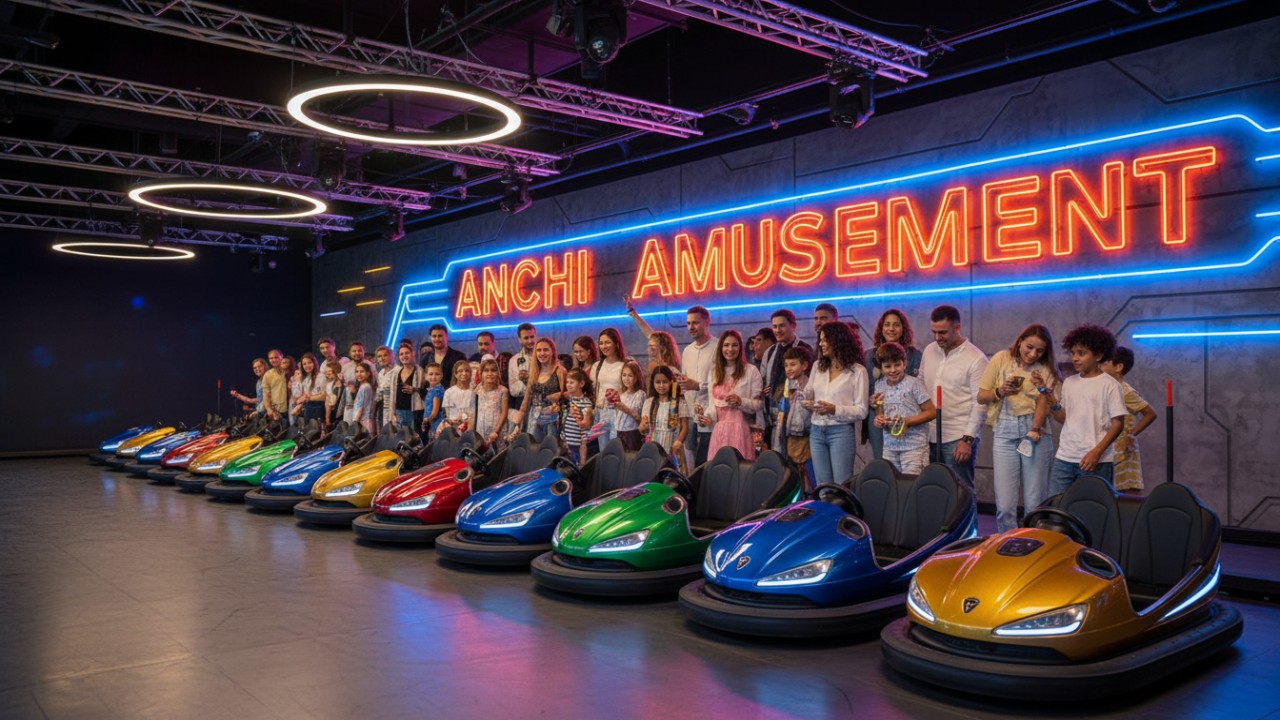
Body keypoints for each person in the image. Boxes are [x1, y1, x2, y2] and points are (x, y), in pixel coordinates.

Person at [977, 324, 1060, 532]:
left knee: (1034, 503)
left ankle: (1033, 547)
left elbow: (1044, 402)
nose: (1032, 354)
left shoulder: (1046, 369)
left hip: (1035, 431)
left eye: (1039, 351)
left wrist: (1034, 428)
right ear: (1020, 341)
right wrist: (1000, 391)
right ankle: (1008, 545)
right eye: (1029, 347)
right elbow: (981, 396)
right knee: (1005, 505)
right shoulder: (1002, 358)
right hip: (1005, 430)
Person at [1044, 324, 1128, 493]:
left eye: (1081, 353)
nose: (1075, 358)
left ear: (1098, 355)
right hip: (1064, 458)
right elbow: (1062, 418)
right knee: (1055, 508)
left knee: (1091, 512)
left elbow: (1118, 423)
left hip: (1097, 460)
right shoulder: (1069, 382)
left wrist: (1096, 453)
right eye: (1073, 353)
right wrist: (1050, 398)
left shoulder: (1110, 385)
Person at [920, 305, 989, 488]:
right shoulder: (929, 350)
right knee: (935, 490)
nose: (937, 337)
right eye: (933, 332)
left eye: (942, 332)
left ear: (957, 328)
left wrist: (967, 439)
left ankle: (969, 519)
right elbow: (920, 384)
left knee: (961, 491)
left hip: (958, 437)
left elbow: (980, 404)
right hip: (928, 434)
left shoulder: (976, 358)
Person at [805, 321, 868, 486]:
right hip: (816, 430)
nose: (821, 344)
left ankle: (842, 513)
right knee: (822, 485)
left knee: (841, 485)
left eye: (825, 340)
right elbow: (808, 392)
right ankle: (826, 512)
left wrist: (835, 409)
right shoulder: (817, 367)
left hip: (841, 431)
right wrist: (806, 402)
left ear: (838, 340)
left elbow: (862, 410)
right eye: (820, 339)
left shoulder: (857, 371)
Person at [873, 342, 937, 476]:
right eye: (887, 366)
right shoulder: (879, 385)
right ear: (881, 367)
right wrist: (878, 420)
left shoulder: (914, 384)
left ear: (904, 364)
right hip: (890, 447)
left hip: (914, 447)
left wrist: (907, 421)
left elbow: (931, 412)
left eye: (897, 364)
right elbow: (880, 412)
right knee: (893, 487)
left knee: (911, 487)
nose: (893, 370)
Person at [867, 309, 923, 459]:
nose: (891, 329)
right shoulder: (869, 355)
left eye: (896, 325)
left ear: (903, 329)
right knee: (883, 462)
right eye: (887, 325)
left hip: (906, 417)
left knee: (908, 463)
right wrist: (870, 400)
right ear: (881, 328)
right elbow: (865, 390)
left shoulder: (914, 355)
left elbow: (919, 390)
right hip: (879, 417)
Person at [1100, 346, 1157, 494]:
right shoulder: (1105, 389)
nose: (1100, 366)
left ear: (1118, 367)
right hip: (1109, 449)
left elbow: (1150, 413)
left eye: (1105, 363)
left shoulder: (1125, 391)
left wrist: (1132, 434)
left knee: (1127, 491)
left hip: (1124, 449)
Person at [704, 330, 764, 461]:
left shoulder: (751, 371)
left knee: (741, 471)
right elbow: (712, 408)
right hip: (719, 431)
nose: (730, 349)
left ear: (740, 347)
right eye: (726, 345)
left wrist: (740, 401)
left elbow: (759, 405)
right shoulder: (714, 372)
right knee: (720, 471)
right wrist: (706, 418)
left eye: (734, 345)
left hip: (742, 430)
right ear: (721, 348)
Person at [761, 309, 812, 451]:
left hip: (797, 417)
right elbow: (762, 378)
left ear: (793, 326)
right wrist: (763, 389)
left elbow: (811, 383)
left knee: (797, 462)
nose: (777, 330)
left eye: (781, 326)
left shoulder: (806, 349)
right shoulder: (770, 351)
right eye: (775, 326)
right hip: (773, 418)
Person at [516, 337, 566, 442]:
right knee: (534, 449)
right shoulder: (534, 371)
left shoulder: (560, 370)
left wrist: (556, 397)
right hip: (534, 418)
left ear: (553, 351)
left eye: (545, 350)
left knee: (551, 450)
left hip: (553, 419)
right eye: (539, 350)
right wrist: (518, 423)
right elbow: (527, 398)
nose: (542, 353)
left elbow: (568, 394)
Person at [639, 365, 690, 462]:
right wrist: (642, 427)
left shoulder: (680, 402)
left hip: (673, 447)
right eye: (658, 382)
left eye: (665, 382)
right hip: (654, 447)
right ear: (653, 383)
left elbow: (685, 427)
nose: (661, 385)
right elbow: (644, 429)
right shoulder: (649, 402)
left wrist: (679, 441)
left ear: (671, 382)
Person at [775, 346, 814, 471]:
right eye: (786, 365)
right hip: (789, 437)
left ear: (804, 365)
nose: (789, 369)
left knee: (810, 474)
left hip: (807, 438)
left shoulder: (811, 387)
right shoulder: (784, 388)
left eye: (793, 364)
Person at [593, 328, 629, 445]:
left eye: (608, 342)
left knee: (616, 450)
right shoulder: (598, 365)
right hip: (601, 411)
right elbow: (596, 389)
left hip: (617, 411)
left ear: (616, 343)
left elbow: (632, 390)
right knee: (603, 452)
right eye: (601, 343)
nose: (604, 346)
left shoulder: (625, 364)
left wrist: (618, 396)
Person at [560, 368, 595, 464]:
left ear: (581, 384)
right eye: (567, 382)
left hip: (577, 447)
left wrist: (582, 461)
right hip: (567, 444)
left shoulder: (585, 404)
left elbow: (585, 430)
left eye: (572, 382)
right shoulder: (571, 399)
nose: (568, 385)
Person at [474, 358, 510, 448]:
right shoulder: (478, 389)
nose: (490, 374)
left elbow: (504, 413)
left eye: (493, 370)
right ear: (481, 373)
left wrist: (496, 431)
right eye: (486, 370)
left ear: (498, 373)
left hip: (497, 430)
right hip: (481, 429)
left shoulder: (503, 390)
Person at [507, 323, 536, 431]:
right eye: (526, 338)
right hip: (520, 404)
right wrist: (527, 383)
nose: (530, 341)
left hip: (540, 405)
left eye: (532, 337)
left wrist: (529, 381)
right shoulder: (514, 360)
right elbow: (513, 390)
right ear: (519, 339)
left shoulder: (543, 356)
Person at [420, 324, 467, 391]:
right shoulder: (425, 358)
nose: (437, 339)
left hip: (453, 397)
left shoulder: (458, 356)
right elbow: (422, 381)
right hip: (430, 398)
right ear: (430, 338)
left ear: (447, 336)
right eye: (434, 336)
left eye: (440, 336)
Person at [613, 360, 647, 452]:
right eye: (624, 375)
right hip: (619, 432)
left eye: (630, 375)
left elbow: (641, 418)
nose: (626, 379)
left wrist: (625, 409)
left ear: (636, 377)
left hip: (633, 433)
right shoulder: (621, 395)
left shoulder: (640, 394)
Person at [391, 345, 424, 430]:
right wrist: (392, 413)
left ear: (413, 354)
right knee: (401, 438)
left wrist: (414, 389)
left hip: (415, 411)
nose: (404, 356)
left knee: (414, 439)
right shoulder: (395, 373)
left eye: (407, 353)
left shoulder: (420, 371)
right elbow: (392, 394)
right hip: (399, 411)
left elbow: (427, 391)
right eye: (401, 354)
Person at [441, 361, 476, 437]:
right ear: (455, 374)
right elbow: (448, 413)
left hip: (468, 427)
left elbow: (472, 413)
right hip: (452, 427)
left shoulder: (473, 393)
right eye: (460, 371)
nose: (464, 373)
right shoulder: (449, 392)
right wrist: (453, 421)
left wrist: (462, 419)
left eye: (466, 371)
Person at [295, 353, 326, 425]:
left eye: (309, 363)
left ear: (314, 363)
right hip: (308, 408)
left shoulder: (321, 376)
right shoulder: (306, 378)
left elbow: (324, 396)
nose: (307, 366)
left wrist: (307, 398)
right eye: (304, 364)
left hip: (318, 408)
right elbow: (301, 395)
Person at [351, 362, 378, 435]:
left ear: (368, 373)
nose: (359, 374)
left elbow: (361, 407)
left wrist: (355, 422)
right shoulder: (365, 386)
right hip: (365, 421)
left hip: (363, 422)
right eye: (357, 371)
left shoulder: (365, 387)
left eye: (362, 371)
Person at [421, 363, 446, 440]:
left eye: (437, 374)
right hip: (432, 423)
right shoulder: (432, 389)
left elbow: (434, 413)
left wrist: (425, 422)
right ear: (426, 376)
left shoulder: (437, 390)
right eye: (431, 374)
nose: (433, 377)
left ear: (441, 376)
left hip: (436, 424)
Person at [261, 352, 288, 422]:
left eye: (276, 357)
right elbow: (265, 394)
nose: (273, 360)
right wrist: (269, 409)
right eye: (271, 358)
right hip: (277, 410)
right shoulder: (267, 375)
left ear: (282, 357)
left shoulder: (289, 370)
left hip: (292, 408)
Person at [373, 346, 395, 427]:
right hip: (381, 410)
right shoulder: (380, 373)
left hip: (394, 411)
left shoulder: (397, 371)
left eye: (385, 355)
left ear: (392, 356)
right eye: (379, 356)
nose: (382, 358)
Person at [321, 358, 346, 429]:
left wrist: (327, 418)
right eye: (326, 371)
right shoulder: (328, 382)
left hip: (335, 413)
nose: (327, 373)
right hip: (329, 412)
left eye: (329, 371)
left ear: (335, 371)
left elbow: (332, 402)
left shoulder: (337, 383)